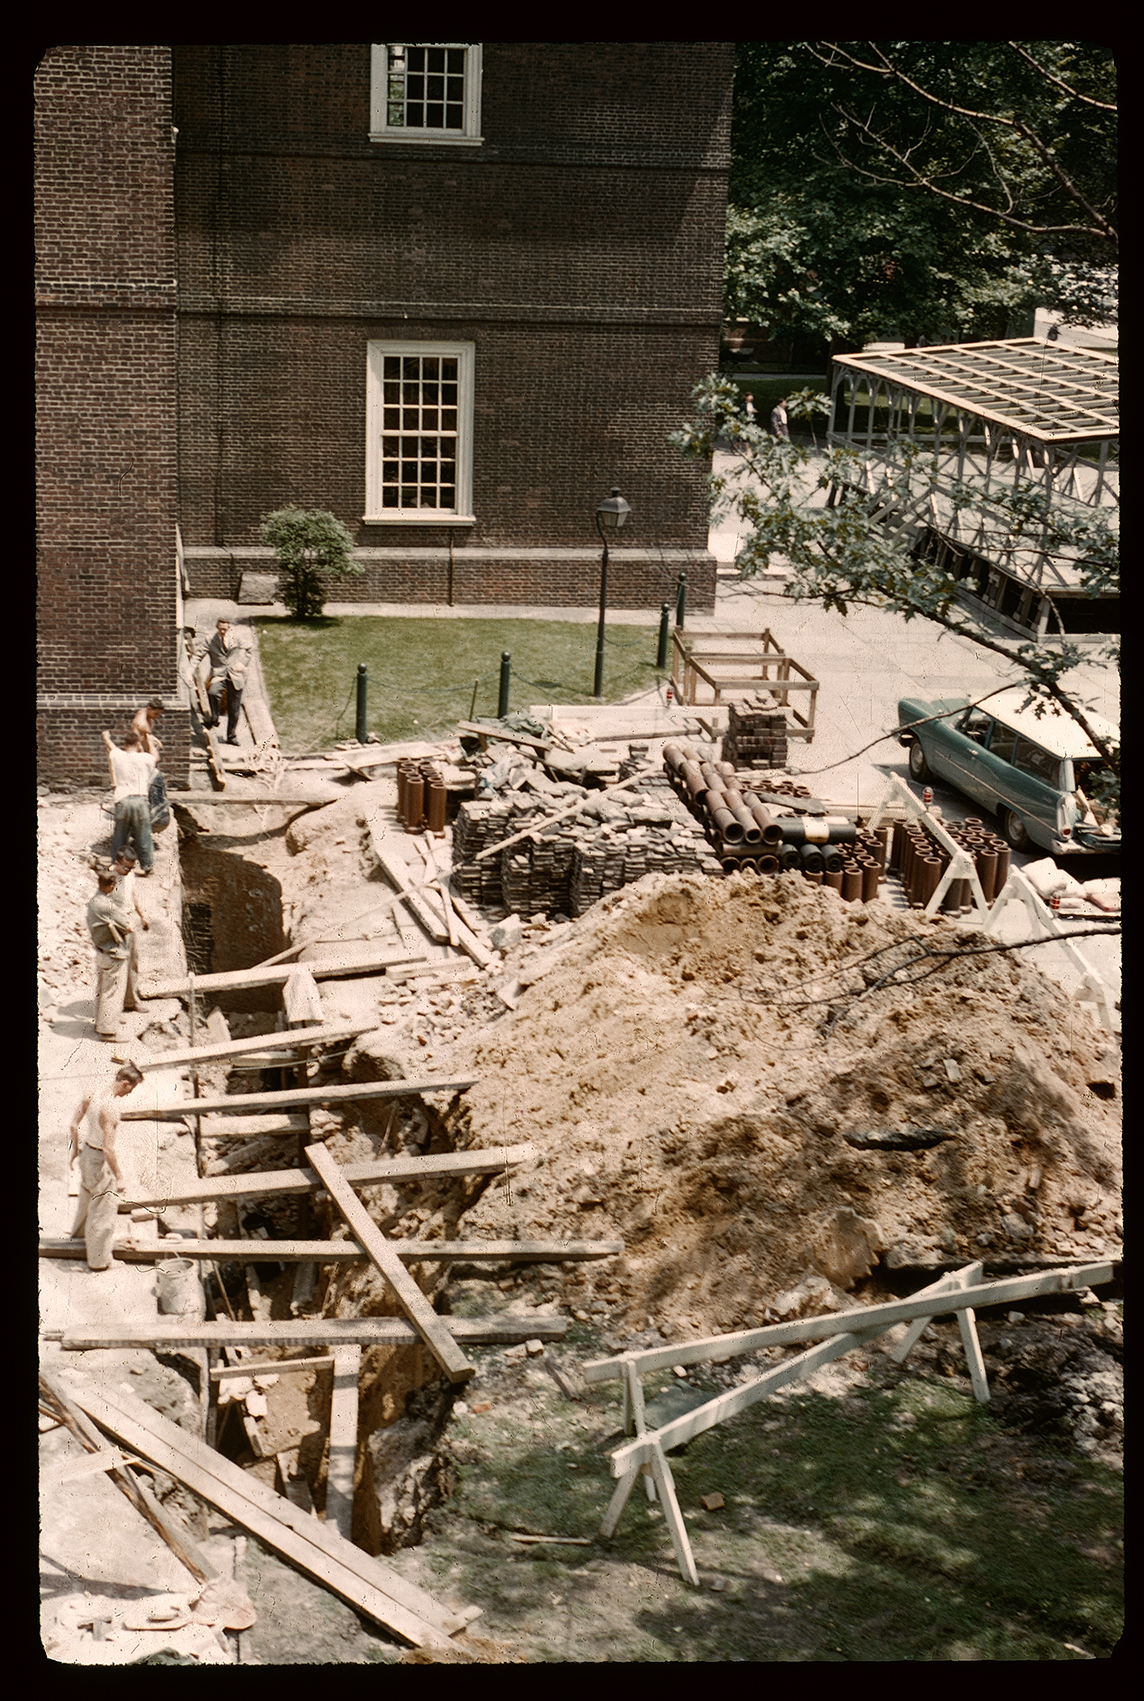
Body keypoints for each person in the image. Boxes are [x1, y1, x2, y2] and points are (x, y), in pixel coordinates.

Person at [68, 1063, 144, 1270]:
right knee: (103, 1209)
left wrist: (74, 1151)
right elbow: (108, 1149)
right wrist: (119, 1176)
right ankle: (99, 1261)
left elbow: (73, 1125)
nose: (131, 1093)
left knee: (87, 1199)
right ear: (125, 1083)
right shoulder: (110, 1109)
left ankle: (78, 1240)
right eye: (132, 1088)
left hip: (86, 1153)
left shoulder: (92, 1092)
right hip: (98, 1159)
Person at [86, 872, 135, 1040]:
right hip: (114, 953)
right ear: (111, 886)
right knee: (113, 992)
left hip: (101, 951)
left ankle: (100, 1023)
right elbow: (129, 927)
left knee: (102, 989)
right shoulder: (109, 906)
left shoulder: (93, 902)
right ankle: (108, 1031)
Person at [102, 728, 156, 873]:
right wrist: (150, 743)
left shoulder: (118, 756)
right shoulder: (145, 758)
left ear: (125, 744)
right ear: (138, 744)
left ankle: (117, 865)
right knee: (143, 835)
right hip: (140, 800)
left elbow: (111, 746)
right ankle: (147, 866)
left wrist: (106, 737)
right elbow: (155, 757)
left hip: (123, 800)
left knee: (120, 835)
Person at [196, 618, 251, 745]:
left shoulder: (236, 638)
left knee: (234, 709)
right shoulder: (211, 639)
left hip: (235, 676)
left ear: (229, 628)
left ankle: (231, 736)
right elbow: (199, 655)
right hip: (219, 675)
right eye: (220, 629)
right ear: (217, 627)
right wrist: (190, 670)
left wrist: (243, 664)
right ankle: (214, 718)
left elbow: (249, 648)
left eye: (225, 629)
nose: (222, 631)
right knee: (212, 692)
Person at [111, 846, 150, 1013]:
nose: (129, 871)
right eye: (126, 867)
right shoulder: (109, 878)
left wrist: (142, 916)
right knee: (117, 965)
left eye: (132, 868)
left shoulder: (129, 874)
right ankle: (114, 1007)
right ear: (116, 863)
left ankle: (130, 1000)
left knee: (133, 961)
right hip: (116, 923)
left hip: (130, 919)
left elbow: (133, 896)